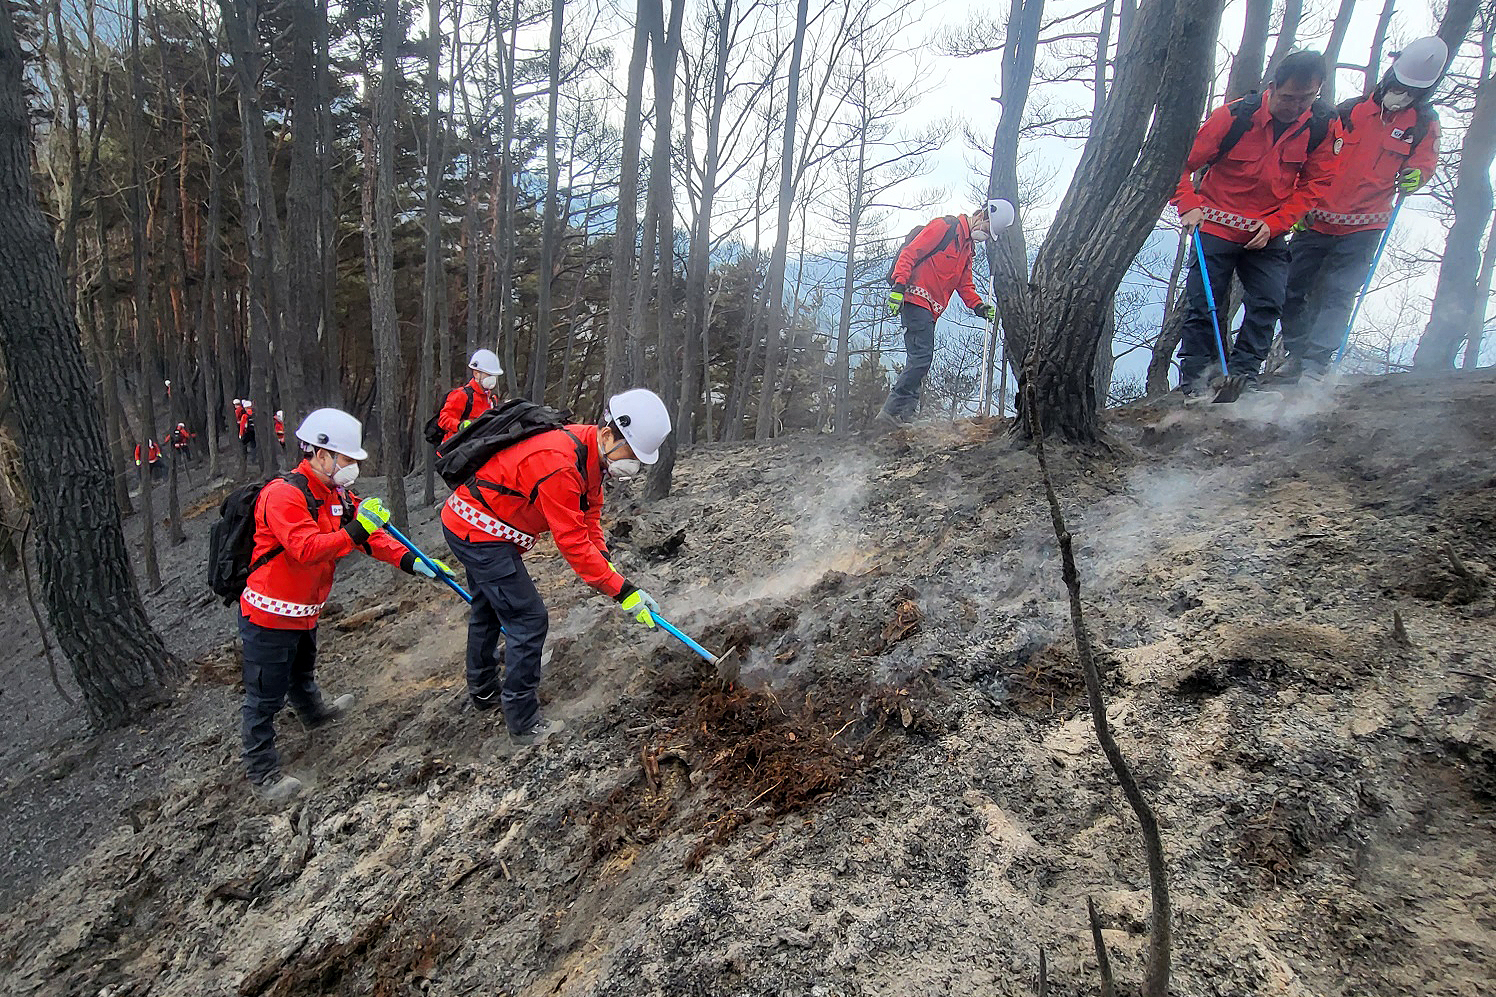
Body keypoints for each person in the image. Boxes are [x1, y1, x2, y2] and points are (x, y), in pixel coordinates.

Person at [238, 408, 451, 803]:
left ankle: (313, 714)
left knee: (302, 668)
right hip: (270, 613)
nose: (352, 466)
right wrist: (357, 528)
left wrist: (411, 561)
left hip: (304, 610)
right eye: (347, 458)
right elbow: (305, 550)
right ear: (320, 454)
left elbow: (368, 539)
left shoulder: (337, 495)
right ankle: (262, 770)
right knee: (265, 693)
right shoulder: (283, 495)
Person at [441, 389, 672, 745]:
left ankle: (484, 690)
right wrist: (622, 591)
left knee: (490, 606)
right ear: (609, 433)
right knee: (528, 618)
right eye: (631, 456)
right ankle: (523, 722)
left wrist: (612, 572)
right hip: (477, 531)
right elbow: (572, 541)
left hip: (488, 528)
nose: (632, 466)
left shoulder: (592, 455)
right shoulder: (559, 462)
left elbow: (589, 518)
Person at [1171, 50, 1341, 395]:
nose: (1296, 106)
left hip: (1267, 231)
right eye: (1289, 97)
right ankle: (1196, 382)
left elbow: (1315, 185)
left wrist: (1277, 224)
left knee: (1268, 301)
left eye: (1306, 98)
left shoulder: (1321, 126)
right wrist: (1188, 204)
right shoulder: (1233, 117)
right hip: (1215, 224)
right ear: (1273, 87)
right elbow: (1178, 164)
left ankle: (1244, 377)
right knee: (1204, 303)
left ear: (1318, 91)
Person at [1278, 38, 1446, 381]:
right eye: (1399, 86)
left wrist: (1417, 175)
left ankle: (1316, 365)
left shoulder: (1423, 123)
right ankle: (1296, 351)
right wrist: (1298, 204)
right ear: (1388, 77)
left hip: (1366, 225)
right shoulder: (1347, 112)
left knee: (1340, 293)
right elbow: (1311, 160)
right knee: (1290, 287)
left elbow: (1424, 161)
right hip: (1317, 218)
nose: (1402, 94)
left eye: (1411, 90)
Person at [876, 200, 1013, 430]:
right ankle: (891, 411)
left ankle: (904, 417)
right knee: (921, 358)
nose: (986, 236)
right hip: (914, 299)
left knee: (919, 360)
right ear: (981, 216)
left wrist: (978, 306)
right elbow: (911, 252)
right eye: (988, 230)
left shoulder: (968, 249)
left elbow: (965, 284)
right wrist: (899, 287)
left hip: (930, 309)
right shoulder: (944, 228)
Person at [438, 349, 504, 442]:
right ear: (476, 374)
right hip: (456, 449)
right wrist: (460, 425)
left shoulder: (492, 399)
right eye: (489, 374)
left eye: (494, 375)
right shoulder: (462, 395)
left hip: (477, 448)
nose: (493, 379)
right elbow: (444, 419)